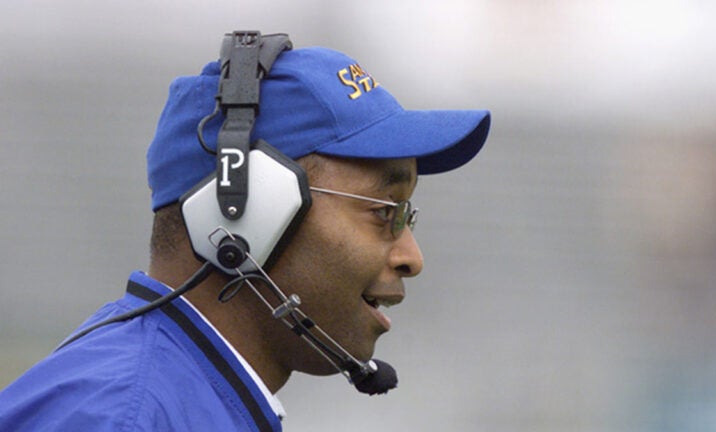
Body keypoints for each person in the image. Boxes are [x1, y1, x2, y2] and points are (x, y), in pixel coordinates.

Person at [0, 31, 490, 431]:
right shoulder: (121, 417)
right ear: (248, 210)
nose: (412, 256)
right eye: (385, 211)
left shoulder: (168, 398)